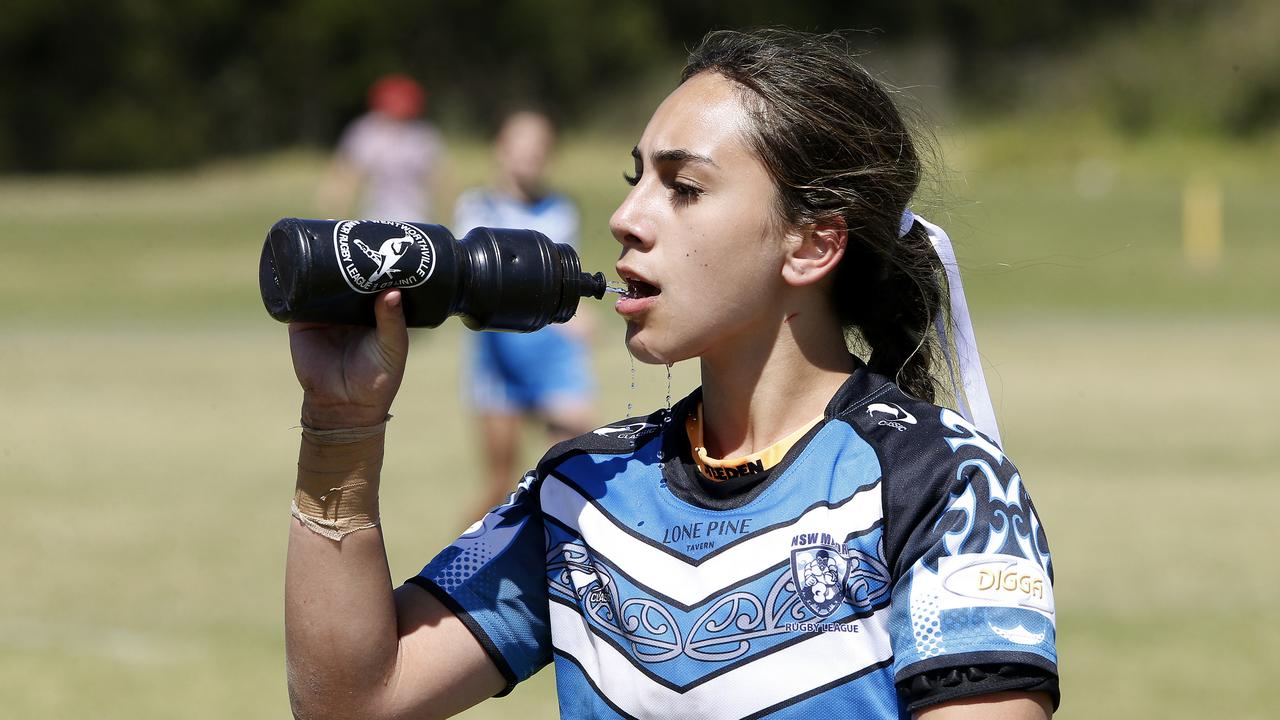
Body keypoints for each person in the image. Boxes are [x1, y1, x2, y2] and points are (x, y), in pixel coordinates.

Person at [284, 29, 1059, 720]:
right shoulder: (581, 488)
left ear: (812, 246)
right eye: (637, 180)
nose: (627, 217)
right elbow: (351, 703)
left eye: (683, 188)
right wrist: (340, 427)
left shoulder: (946, 484)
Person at [454, 111, 597, 516]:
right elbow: (480, 285)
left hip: (552, 354)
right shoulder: (476, 209)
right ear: (500, 149)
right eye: (521, 145)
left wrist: (577, 310)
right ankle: (454, 568)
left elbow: (561, 279)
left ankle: (567, 569)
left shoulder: (560, 210)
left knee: (578, 469)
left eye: (539, 148)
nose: (529, 156)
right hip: (499, 357)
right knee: (501, 484)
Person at [316, 73, 446, 221]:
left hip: (417, 218)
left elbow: (439, 181)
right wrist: (334, 213)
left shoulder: (422, 135)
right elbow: (346, 176)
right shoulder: (367, 132)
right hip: (375, 218)